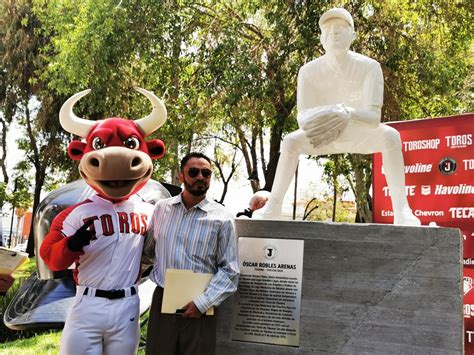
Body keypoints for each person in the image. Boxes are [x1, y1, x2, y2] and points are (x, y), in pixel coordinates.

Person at [255, 7, 420, 226]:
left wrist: (347, 113)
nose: (334, 33)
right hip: (323, 132)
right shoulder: (308, 71)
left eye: (341, 28)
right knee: (291, 141)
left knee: (390, 137)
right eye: (328, 29)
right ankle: (274, 204)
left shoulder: (370, 67)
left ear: (352, 35)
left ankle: (401, 209)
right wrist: (331, 115)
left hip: (357, 130)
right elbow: (302, 118)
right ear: (322, 38)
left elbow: (373, 118)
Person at [145, 152, 240, 355]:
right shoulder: (162, 209)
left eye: (206, 173)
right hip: (163, 299)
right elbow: (147, 251)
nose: (200, 177)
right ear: (181, 176)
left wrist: (202, 303)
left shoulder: (222, 218)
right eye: (194, 172)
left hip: (201, 306)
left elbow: (230, 269)